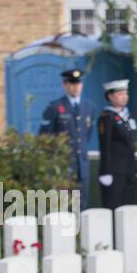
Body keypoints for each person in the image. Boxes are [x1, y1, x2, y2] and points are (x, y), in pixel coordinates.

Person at [38, 68, 94, 205]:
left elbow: (87, 134)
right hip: (63, 166)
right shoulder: (55, 107)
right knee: (64, 206)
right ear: (65, 85)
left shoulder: (89, 107)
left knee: (82, 205)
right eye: (72, 84)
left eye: (78, 84)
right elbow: (45, 137)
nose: (76, 87)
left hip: (82, 165)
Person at [97, 79, 137, 210]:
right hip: (114, 171)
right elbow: (105, 145)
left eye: (125, 93)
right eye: (120, 94)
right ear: (110, 96)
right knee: (114, 207)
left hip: (128, 169)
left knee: (128, 208)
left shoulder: (126, 116)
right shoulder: (107, 117)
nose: (124, 97)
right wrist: (106, 171)